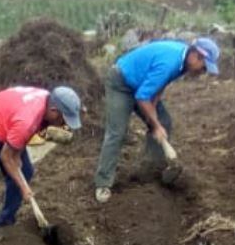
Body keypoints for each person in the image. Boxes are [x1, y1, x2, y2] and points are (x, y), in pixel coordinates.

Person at [94, 36, 219, 203]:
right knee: (117, 132)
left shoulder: (183, 61)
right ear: (196, 56)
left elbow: (160, 85)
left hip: (142, 86)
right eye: (204, 67)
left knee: (164, 120)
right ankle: (103, 183)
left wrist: (155, 114)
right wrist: (155, 125)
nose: (202, 71)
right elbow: (142, 97)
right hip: (121, 82)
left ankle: (151, 170)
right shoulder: (170, 63)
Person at [0, 85, 81, 239]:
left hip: (8, 124)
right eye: (62, 119)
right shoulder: (28, 120)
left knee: (26, 171)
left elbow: (19, 136)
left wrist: (18, 154)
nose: (62, 125)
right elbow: (6, 157)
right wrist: (24, 188)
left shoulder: (47, 101)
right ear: (54, 110)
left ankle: (6, 221)